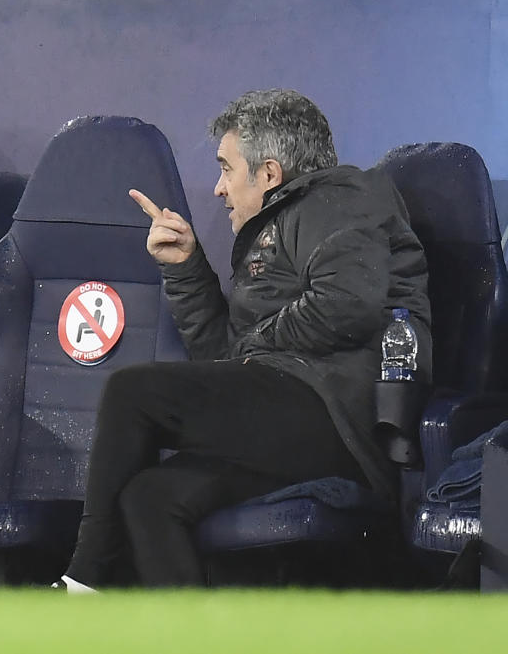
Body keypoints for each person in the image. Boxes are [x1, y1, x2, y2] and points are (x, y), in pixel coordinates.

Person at [57, 89, 431, 591]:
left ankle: (84, 582)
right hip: (285, 421)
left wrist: (256, 344)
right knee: (149, 497)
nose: (218, 189)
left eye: (226, 169)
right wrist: (186, 267)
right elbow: (225, 356)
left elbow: (346, 304)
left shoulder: (338, 199)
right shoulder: (271, 231)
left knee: (133, 392)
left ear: (270, 173)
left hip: (336, 420)